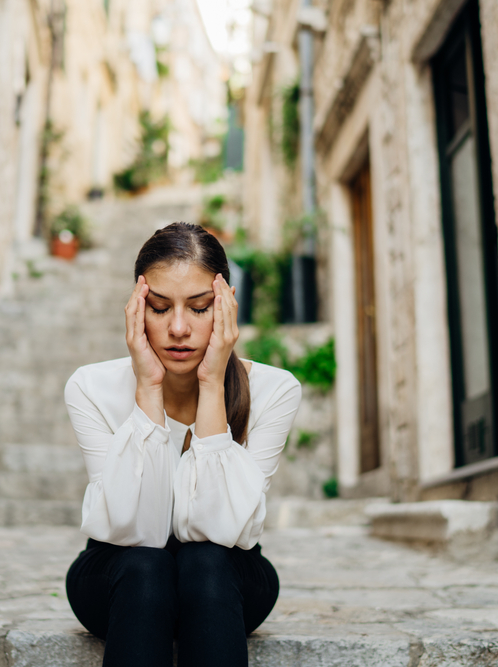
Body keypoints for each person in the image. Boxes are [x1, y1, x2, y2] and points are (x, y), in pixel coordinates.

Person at [63, 222, 302, 667]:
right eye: (158, 307)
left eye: (199, 307)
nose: (178, 327)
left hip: (226, 582)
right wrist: (148, 390)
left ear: (227, 305)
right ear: (137, 307)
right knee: (146, 567)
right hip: (118, 578)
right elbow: (141, 532)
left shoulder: (275, 390)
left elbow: (219, 531)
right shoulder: (90, 387)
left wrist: (212, 384)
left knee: (205, 561)